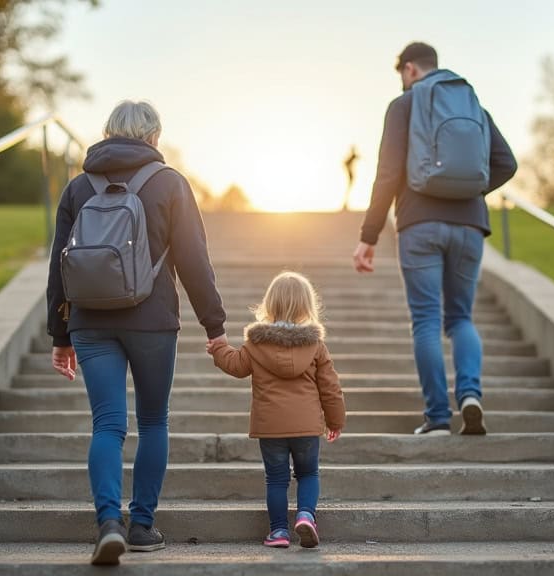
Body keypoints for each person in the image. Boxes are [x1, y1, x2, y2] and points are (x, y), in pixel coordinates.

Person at [46, 100, 226, 565]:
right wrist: (215, 325)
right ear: (153, 137)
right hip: (152, 320)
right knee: (152, 421)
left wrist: (59, 335)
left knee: (107, 424)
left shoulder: (78, 187)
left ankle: (109, 522)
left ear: (108, 133)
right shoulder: (170, 183)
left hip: (90, 322)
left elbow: (59, 265)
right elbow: (193, 259)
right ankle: (142, 526)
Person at [353, 42, 518, 436]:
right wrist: (470, 191)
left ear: (410, 69)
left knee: (426, 319)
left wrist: (368, 235)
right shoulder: (473, 105)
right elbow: (507, 163)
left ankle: (438, 417)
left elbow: (388, 173)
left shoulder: (403, 105)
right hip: (470, 226)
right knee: (460, 318)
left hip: (419, 225)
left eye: (401, 75)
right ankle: (471, 395)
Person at [206, 272, 346, 549]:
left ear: (269, 303)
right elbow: (331, 388)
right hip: (307, 426)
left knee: (276, 479)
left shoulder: (256, 344)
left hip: (270, 427)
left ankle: (279, 531)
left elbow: (236, 365)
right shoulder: (315, 345)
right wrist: (336, 421)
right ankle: (305, 516)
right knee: (308, 473)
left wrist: (219, 350)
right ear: (307, 305)